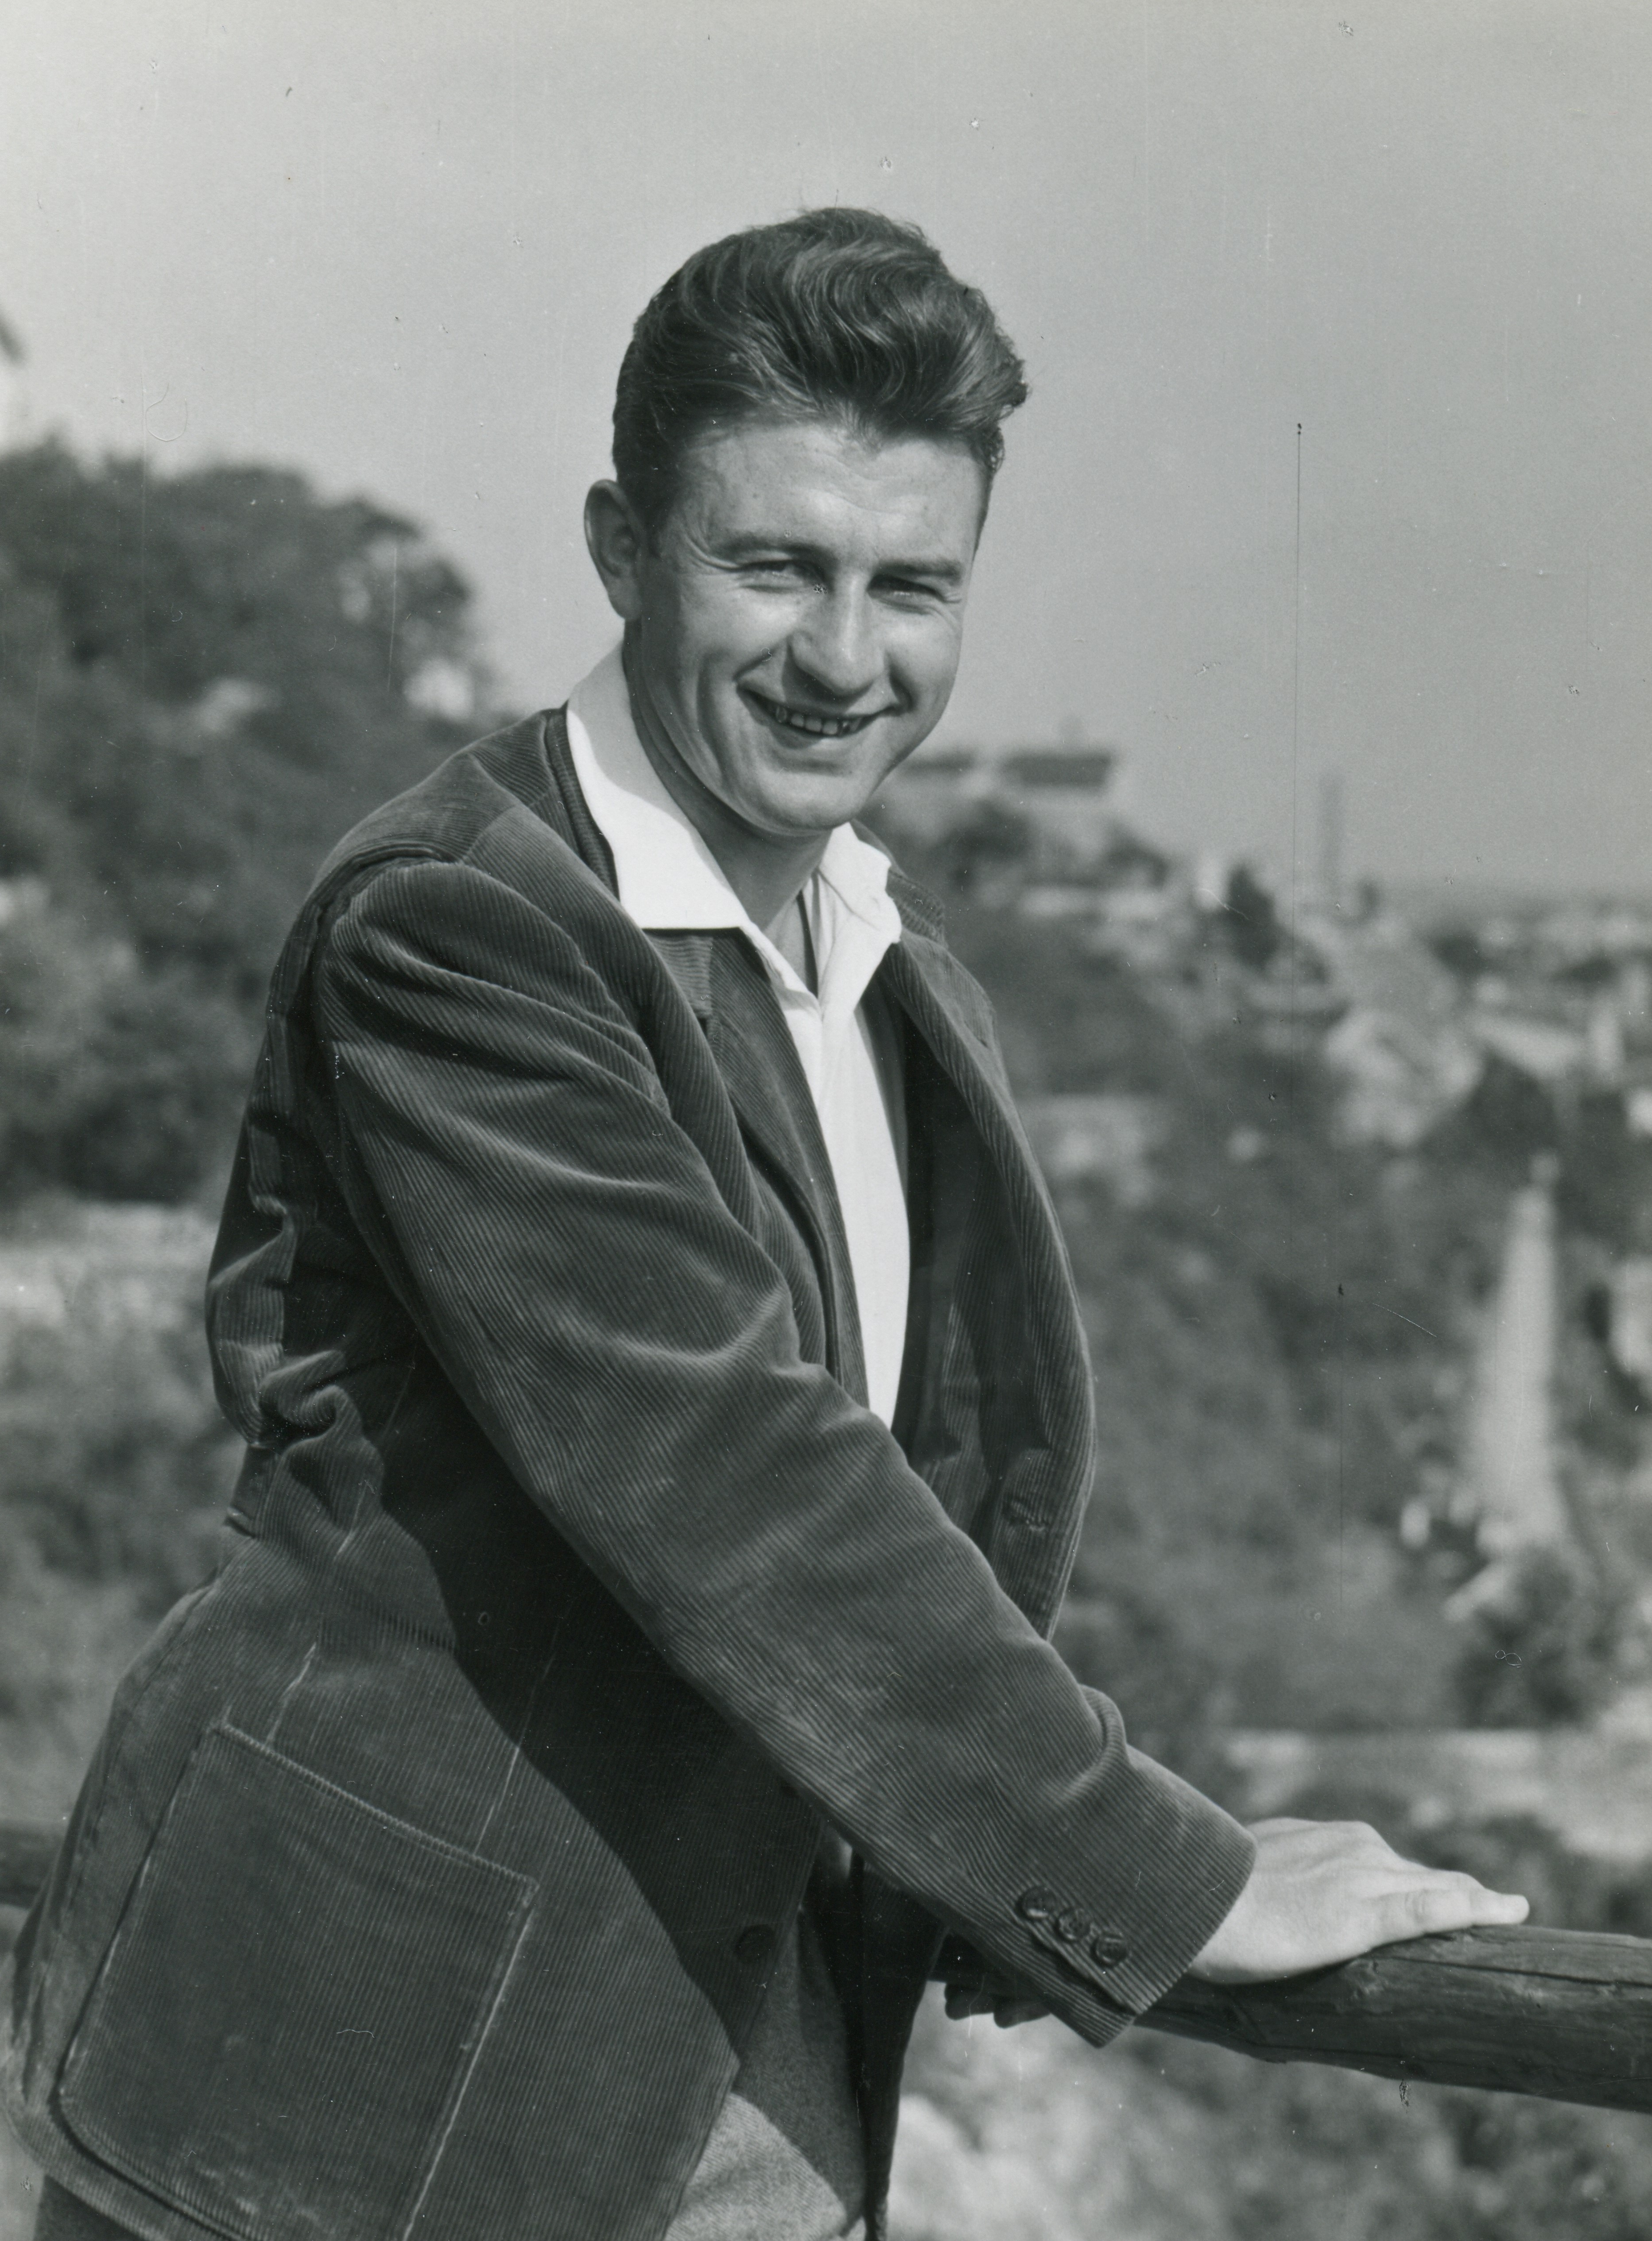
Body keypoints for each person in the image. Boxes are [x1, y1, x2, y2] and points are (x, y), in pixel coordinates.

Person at [4, 208, 1525, 2241]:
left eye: (914, 586)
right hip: (367, 2070)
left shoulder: (884, 953)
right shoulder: (464, 927)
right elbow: (734, 1474)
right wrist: (1162, 1870)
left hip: (751, 2041)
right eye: (776, 565)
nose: (844, 657)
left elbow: (926, 1482)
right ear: (621, 548)